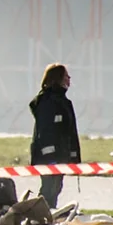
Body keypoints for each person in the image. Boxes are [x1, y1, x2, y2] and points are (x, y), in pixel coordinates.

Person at [29, 63, 81, 208]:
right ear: (57, 78)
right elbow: (46, 129)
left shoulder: (64, 102)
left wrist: (72, 155)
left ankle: (49, 212)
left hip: (61, 155)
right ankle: (39, 215)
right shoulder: (47, 101)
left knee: (56, 187)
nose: (69, 79)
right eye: (66, 76)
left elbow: (69, 131)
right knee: (48, 188)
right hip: (50, 156)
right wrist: (50, 154)